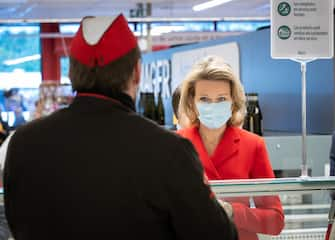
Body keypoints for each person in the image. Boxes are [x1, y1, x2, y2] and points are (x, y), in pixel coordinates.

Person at [3, 15, 237, 240]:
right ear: (136, 71)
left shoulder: (23, 143)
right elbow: (216, 235)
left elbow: (14, 220)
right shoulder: (170, 151)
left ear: (71, 73)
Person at [177, 56, 285, 240]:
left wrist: (234, 212)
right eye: (204, 99)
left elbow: (275, 221)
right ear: (191, 103)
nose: (213, 105)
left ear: (233, 102)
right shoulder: (177, 144)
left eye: (221, 99)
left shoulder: (253, 145)